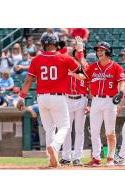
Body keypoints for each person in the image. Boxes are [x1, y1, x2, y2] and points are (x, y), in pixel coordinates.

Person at [16, 32, 83, 168]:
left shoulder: (36, 59)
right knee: (64, 126)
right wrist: (79, 53)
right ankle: (55, 146)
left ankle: (51, 159)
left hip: (42, 98)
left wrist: (21, 97)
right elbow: (82, 74)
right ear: (56, 44)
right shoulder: (65, 58)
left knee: (49, 129)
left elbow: (29, 80)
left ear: (43, 44)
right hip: (58, 97)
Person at [70, 41, 125, 166]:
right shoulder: (94, 66)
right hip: (96, 101)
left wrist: (121, 92)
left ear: (108, 51)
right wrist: (74, 71)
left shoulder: (116, 67)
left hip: (110, 101)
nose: (99, 52)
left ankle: (110, 157)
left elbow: (123, 81)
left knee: (109, 132)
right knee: (94, 131)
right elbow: (83, 74)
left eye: (102, 50)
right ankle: (96, 158)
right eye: (98, 50)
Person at [59, 49, 89, 166]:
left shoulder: (86, 65)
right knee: (66, 129)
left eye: (80, 52)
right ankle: (66, 157)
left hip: (81, 99)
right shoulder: (67, 64)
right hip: (67, 99)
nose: (78, 53)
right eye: (76, 52)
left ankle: (77, 157)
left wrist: (80, 53)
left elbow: (83, 69)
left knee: (79, 130)